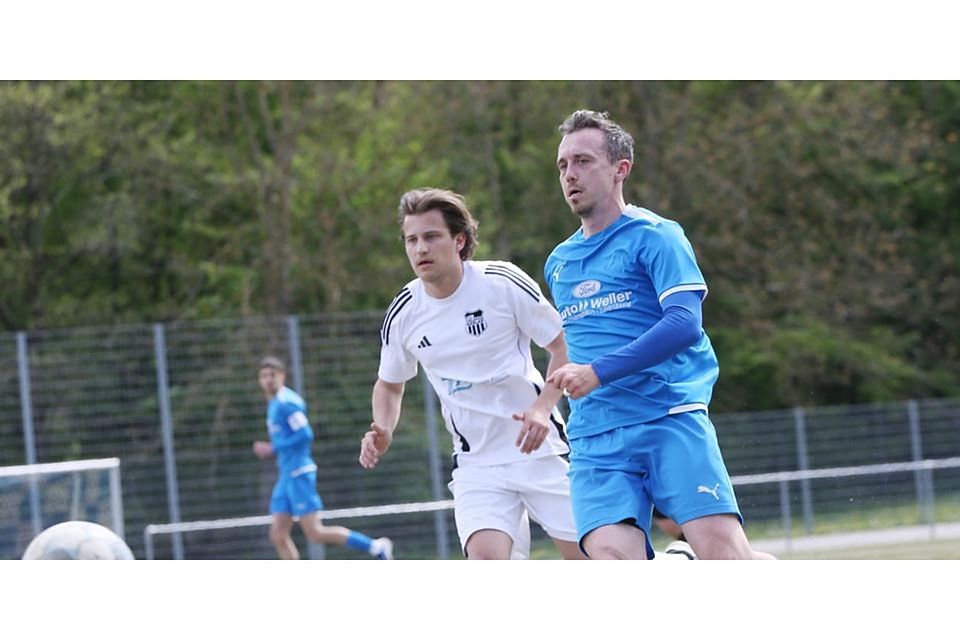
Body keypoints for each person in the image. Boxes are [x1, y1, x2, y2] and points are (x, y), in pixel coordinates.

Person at [544, 109, 774, 560]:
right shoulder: (559, 261)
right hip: (596, 435)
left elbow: (684, 323)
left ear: (620, 169)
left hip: (667, 416)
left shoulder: (656, 236)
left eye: (584, 161)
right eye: (563, 164)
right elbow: (578, 344)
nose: (570, 174)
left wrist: (598, 372)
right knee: (612, 560)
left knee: (724, 557)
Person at [359, 187, 585, 560]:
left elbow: (564, 346)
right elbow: (389, 385)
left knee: (595, 560)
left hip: (540, 451)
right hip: (477, 464)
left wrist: (543, 407)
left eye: (432, 236)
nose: (420, 248)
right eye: (412, 240)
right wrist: (383, 428)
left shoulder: (502, 282)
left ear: (459, 240)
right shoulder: (404, 312)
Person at [253, 356, 393, 560]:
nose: (267, 380)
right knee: (278, 534)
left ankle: (376, 547)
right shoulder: (274, 404)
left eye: (272, 375)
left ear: (282, 376)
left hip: (298, 472)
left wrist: (273, 447)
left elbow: (305, 434)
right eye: (263, 376)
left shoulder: (287, 403)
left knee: (315, 533)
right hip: (286, 474)